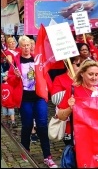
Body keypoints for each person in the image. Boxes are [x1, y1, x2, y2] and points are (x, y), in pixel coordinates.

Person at [7, 35, 58, 168]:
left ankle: (47, 156)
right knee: (27, 125)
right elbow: (11, 82)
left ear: (31, 46)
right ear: (20, 47)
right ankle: (25, 150)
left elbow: (45, 75)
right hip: (25, 99)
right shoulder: (16, 62)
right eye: (23, 45)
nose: (25, 48)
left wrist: (53, 93)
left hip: (39, 96)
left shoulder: (37, 59)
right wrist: (17, 77)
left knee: (42, 125)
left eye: (28, 45)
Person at [51, 55, 81, 145]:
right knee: (70, 146)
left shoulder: (84, 79)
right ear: (70, 65)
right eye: (78, 64)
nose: (81, 67)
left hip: (82, 120)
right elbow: (55, 99)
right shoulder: (60, 78)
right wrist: (72, 90)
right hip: (68, 121)